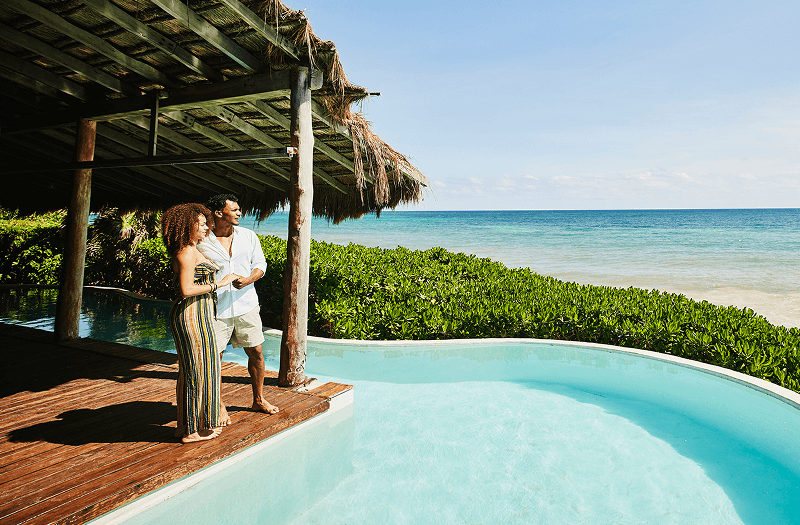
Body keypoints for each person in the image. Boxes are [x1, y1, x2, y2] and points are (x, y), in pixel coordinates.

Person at [162, 203, 240, 443]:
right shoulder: (186, 251)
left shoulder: (192, 248)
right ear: (189, 226)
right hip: (191, 314)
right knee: (198, 371)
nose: (207, 226)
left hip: (201, 313)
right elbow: (186, 289)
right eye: (202, 223)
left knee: (193, 371)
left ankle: (184, 425)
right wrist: (221, 283)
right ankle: (193, 430)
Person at [197, 194, 279, 415]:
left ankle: (259, 400)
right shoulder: (202, 240)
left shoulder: (248, 236)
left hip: (247, 304)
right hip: (216, 308)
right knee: (215, 359)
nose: (239, 213)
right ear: (218, 213)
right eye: (234, 210)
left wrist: (249, 279)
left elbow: (261, 263)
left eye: (239, 209)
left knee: (257, 353)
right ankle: (217, 404)